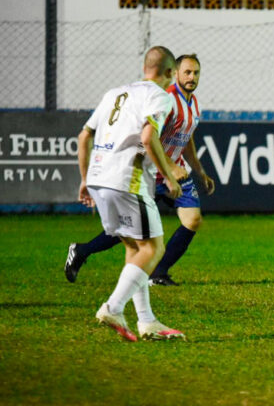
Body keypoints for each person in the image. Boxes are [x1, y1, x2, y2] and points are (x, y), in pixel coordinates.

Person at [65, 54, 215, 286]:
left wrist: (200, 171)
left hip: (177, 173)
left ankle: (159, 273)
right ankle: (82, 250)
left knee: (192, 219)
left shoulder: (194, 104)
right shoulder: (166, 100)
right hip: (150, 172)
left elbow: (187, 139)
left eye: (195, 72)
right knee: (128, 230)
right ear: (175, 73)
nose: (191, 77)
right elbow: (149, 137)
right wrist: (170, 167)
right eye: (187, 72)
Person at [77, 46, 185, 341]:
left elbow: (84, 134)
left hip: (100, 178)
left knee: (134, 249)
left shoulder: (115, 92)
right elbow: (149, 138)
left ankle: (147, 321)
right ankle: (113, 306)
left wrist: (85, 179)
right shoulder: (161, 96)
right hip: (127, 179)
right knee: (153, 249)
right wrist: (170, 174)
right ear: (169, 73)